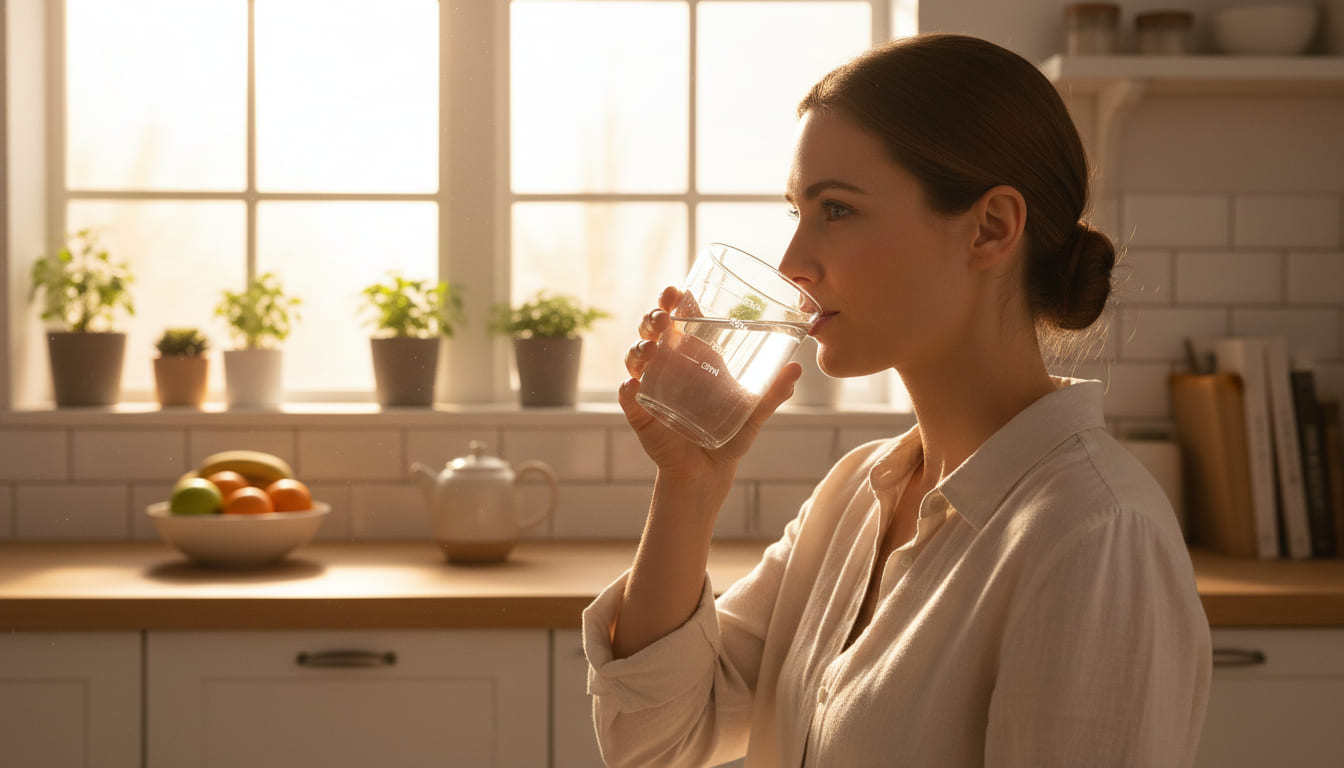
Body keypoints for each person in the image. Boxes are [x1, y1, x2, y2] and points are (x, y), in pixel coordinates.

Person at [583, 33, 1211, 768]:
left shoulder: (1095, 534)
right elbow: (653, 744)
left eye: (837, 211)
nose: (792, 263)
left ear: (991, 228)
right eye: (797, 212)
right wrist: (690, 483)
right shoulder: (854, 496)